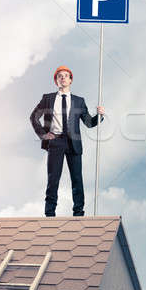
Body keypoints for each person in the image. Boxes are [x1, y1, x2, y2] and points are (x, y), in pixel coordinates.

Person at [30, 65, 105, 217]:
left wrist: (100, 116)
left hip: (73, 143)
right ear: (56, 81)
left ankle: (78, 212)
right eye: (59, 76)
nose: (63, 78)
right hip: (55, 142)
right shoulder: (48, 98)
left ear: (71, 80)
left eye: (65, 75)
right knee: (53, 179)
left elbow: (89, 123)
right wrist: (44, 135)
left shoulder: (79, 101)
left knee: (77, 178)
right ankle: (49, 213)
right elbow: (33, 117)